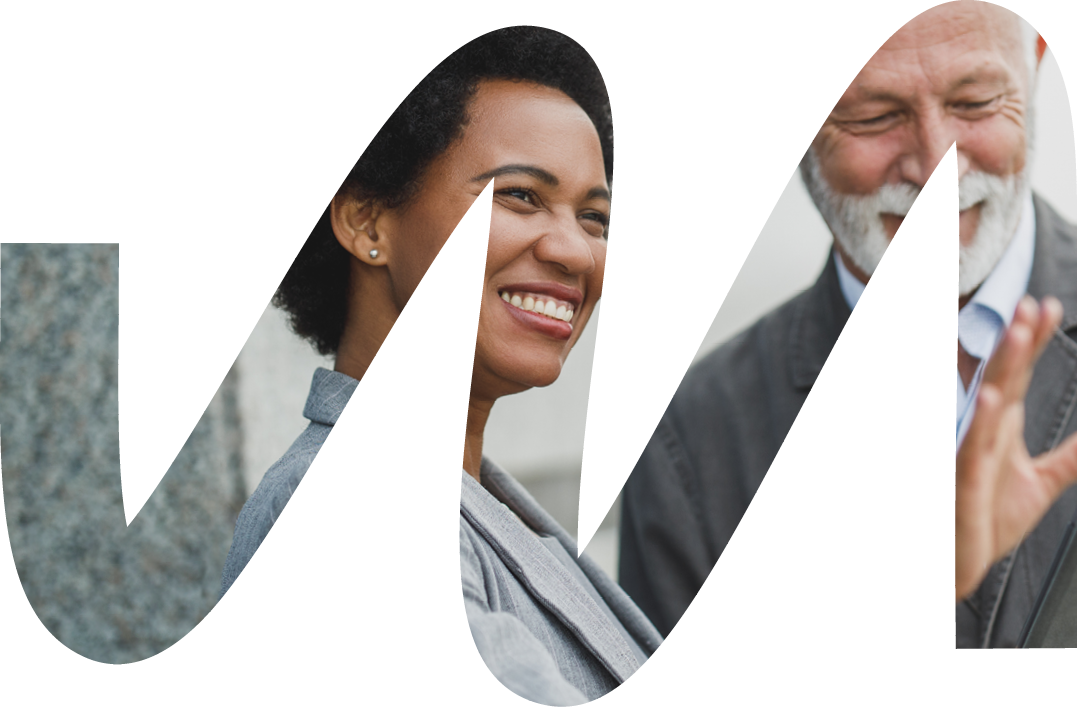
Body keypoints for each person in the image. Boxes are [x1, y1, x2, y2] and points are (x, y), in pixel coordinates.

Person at [218, 27, 661, 704]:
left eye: (595, 216)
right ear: (368, 222)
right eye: (519, 195)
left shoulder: (475, 502)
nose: (575, 251)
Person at [618, 0, 1077, 648]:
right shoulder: (688, 443)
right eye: (875, 116)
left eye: (973, 102)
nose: (934, 166)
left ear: (1032, 68)